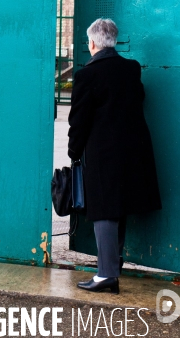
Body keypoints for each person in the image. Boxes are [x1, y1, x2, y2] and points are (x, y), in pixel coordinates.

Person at [68, 18, 161, 294]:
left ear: (93, 42)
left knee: (104, 210)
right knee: (118, 207)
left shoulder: (87, 74)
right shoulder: (131, 69)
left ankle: (106, 274)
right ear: (114, 40)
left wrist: (73, 152)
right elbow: (139, 98)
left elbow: (79, 119)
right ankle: (113, 264)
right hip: (134, 149)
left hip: (103, 152)